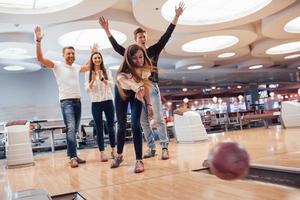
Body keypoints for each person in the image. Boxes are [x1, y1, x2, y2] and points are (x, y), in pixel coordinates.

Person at [99, 1, 185, 160]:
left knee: (158, 119)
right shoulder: (130, 55)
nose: (143, 38)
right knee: (143, 122)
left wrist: (176, 17)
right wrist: (107, 30)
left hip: (151, 88)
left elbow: (167, 35)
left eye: (144, 36)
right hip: (136, 89)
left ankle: (164, 147)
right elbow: (118, 48)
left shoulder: (153, 51)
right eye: (140, 37)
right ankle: (151, 148)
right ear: (135, 40)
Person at [34, 26, 90, 168]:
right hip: (67, 103)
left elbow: (88, 67)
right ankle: (72, 157)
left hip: (78, 102)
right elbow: (40, 58)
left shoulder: (77, 67)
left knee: (75, 129)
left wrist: (93, 53)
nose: (71, 55)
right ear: (63, 55)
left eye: (73, 53)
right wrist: (38, 41)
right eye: (68, 53)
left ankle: (74, 154)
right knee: (71, 128)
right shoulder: (57, 65)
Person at [111, 44, 153, 173]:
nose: (139, 60)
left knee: (135, 125)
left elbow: (145, 87)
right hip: (122, 94)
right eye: (134, 58)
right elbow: (128, 83)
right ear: (129, 59)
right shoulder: (121, 73)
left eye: (140, 57)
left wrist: (149, 104)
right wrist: (137, 87)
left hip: (137, 94)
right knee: (122, 126)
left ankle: (139, 160)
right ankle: (119, 156)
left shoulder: (145, 71)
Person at [85, 51, 116, 162]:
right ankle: (102, 153)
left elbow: (112, 85)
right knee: (99, 129)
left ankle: (113, 150)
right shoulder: (88, 74)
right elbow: (87, 89)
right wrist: (93, 79)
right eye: (95, 58)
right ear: (92, 60)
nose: (97, 59)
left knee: (111, 127)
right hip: (96, 103)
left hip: (108, 101)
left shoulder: (107, 71)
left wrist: (102, 78)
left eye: (99, 57)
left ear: (101, 59)